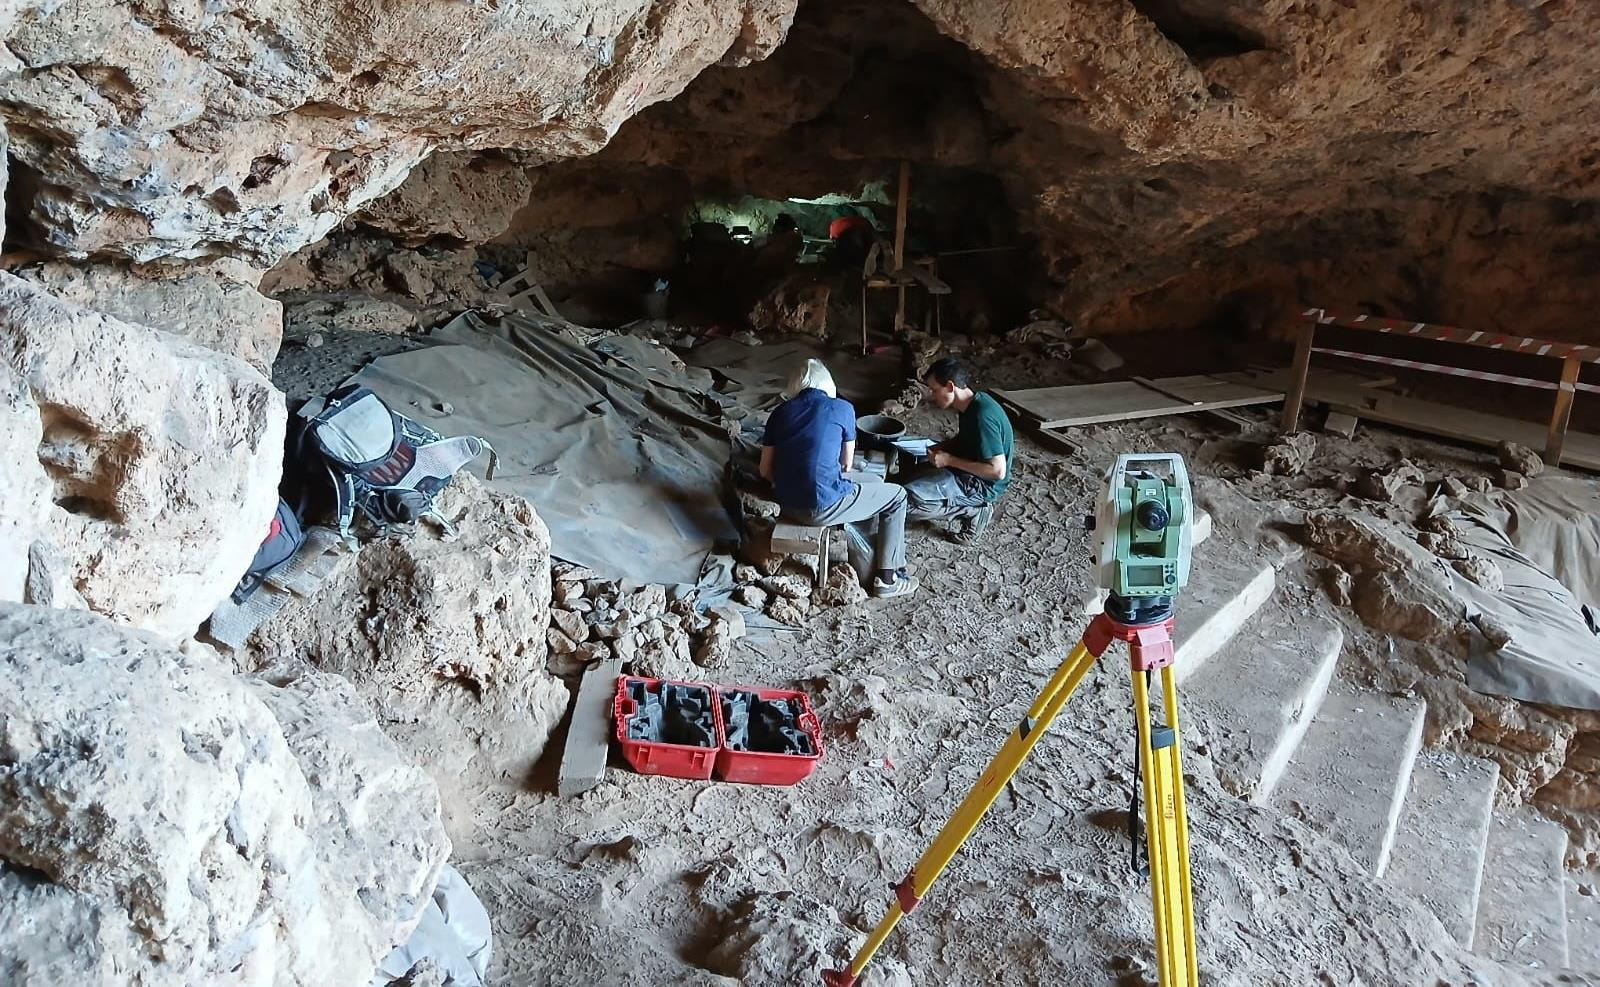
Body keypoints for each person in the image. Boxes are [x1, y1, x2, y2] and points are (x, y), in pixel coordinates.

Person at [761, 359, 918, 599]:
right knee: (897, 495)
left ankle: (866, 553)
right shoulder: (842, 408)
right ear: (828, 384)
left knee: (875, 485)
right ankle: (888, 578)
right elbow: (846, 464)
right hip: (820, 506)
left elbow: (765, 471)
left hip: (787, 502)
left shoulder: (780, 412)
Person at [904, 356, 1013, 543]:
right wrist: (941, 448)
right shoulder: (971, 405)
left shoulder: (982, 416)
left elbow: (997, 471)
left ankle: (975, 510)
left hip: (982, 486)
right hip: (967, 471)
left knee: (906, 505)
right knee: (907, 478)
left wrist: (948, 460)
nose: (931, 394)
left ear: (950, 387)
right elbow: (966, 440)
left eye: (934, 390)